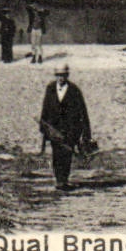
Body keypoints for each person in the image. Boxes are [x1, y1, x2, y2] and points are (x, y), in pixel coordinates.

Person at [39, 63, 92, 191]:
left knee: (67, 154)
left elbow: (82, 111)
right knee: (56, 154)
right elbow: (45, 107)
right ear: (55, 76)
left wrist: (86, 132)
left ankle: (64, 179)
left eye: (63, 75)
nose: (60, 78)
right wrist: (44, 126)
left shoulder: (74, 90)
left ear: (67, 75)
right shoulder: (50, 88)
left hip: (70, 129)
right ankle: (59, 180)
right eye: (58, 75)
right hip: (54, 129)